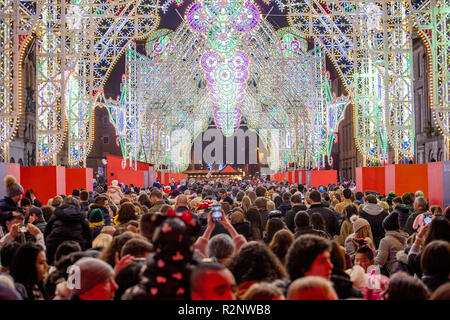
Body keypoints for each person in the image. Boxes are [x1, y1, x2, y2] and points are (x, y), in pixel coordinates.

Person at [44, 196, 92, 265]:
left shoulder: (55, 215)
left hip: (54, 248)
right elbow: (88, 238)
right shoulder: (82, 217)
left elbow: (46, 232)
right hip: (78, 250)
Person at [374, 211, 408, 275]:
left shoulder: (385, 241)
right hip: (405, 271)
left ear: (385, 228)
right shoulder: (404, 237)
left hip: (394, 272)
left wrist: (369, 260)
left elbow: (380, 261)